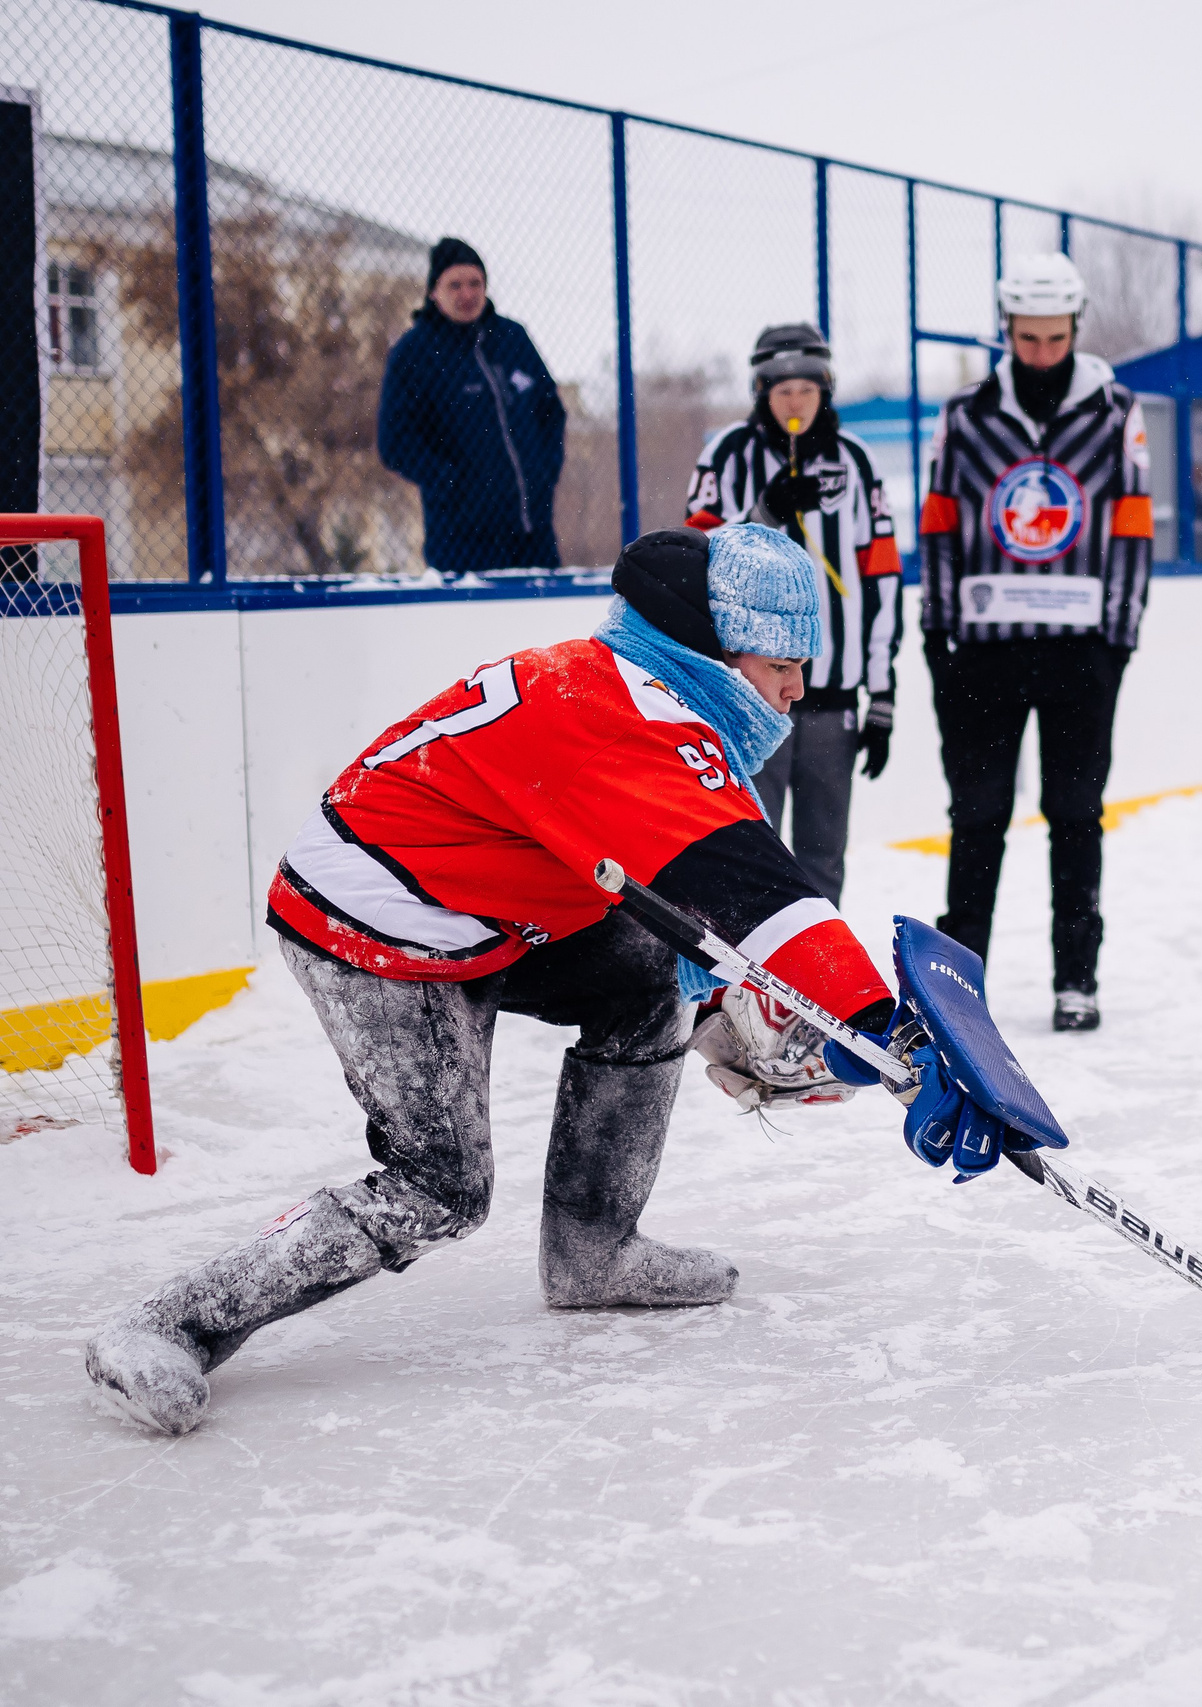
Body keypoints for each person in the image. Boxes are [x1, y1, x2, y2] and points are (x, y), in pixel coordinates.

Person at [82, 525, 905, 1437]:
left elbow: (694, 899)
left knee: (647, 980)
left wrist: (738, 1008)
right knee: (439, 1187)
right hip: (376, 923)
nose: (798, 689)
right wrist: (878, 1022)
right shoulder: (621, 710)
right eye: (783, 661)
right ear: (715, 645)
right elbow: (753, 881)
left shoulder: (640, 686)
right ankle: (170, 1324)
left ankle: (593, 1254)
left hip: (486, 910)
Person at [916, 254, 1154, 1033]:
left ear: (1075, 328)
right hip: (982, 653)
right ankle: (958, 982)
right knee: (977, 816)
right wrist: (937, 631)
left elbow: (1133, 525)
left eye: (1055, 338)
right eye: (1028, 338)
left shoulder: (1117, 411)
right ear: (1007, 331)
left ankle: (1075, 977)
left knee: (1076, 813)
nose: (1042, 352)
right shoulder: (965, 414)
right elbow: (940, 522)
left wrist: (1117, 638)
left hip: (1081, 653)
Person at [685, 323, 904, 905]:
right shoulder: (727, 455)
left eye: (806, 388)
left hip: (834, 694)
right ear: (761, 392)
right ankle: (743, 985)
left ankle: (819, 987)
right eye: (781, 389)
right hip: (748, 695)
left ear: (825, 390)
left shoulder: (855, 461)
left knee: (823, 859)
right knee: (751, 850)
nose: (795, 401)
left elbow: (882, 574)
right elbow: (697, 561)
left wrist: (882, 691)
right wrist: (765, 511)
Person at [377, 238, 568, 574]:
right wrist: (453, 484)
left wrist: (544, 472)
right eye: (455, 285)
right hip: (462, 544)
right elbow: (394, 442)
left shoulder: (513, 338)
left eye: (474, 283)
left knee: (545, 626)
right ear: (434, 292)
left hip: (534, 535)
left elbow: (551, 411)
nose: (467, 294)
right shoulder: (414, 353)